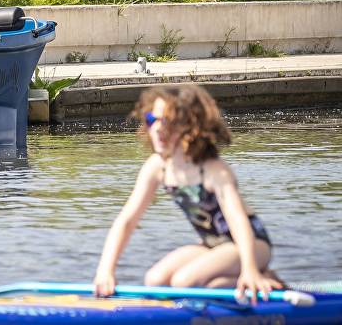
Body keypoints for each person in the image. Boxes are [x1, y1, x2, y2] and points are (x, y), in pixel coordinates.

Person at [93, 85, 281, 304]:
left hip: (250, 245)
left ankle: (261, 277)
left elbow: (238, 221)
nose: (157, 129)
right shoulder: (158, 166)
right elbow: (127, 220)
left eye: (168, 122)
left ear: (191, 127)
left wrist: (250, 269)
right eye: (153, 119)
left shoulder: (213, 170)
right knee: (154, 281)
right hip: (212, 244)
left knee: (184, 281)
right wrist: (105, 270)